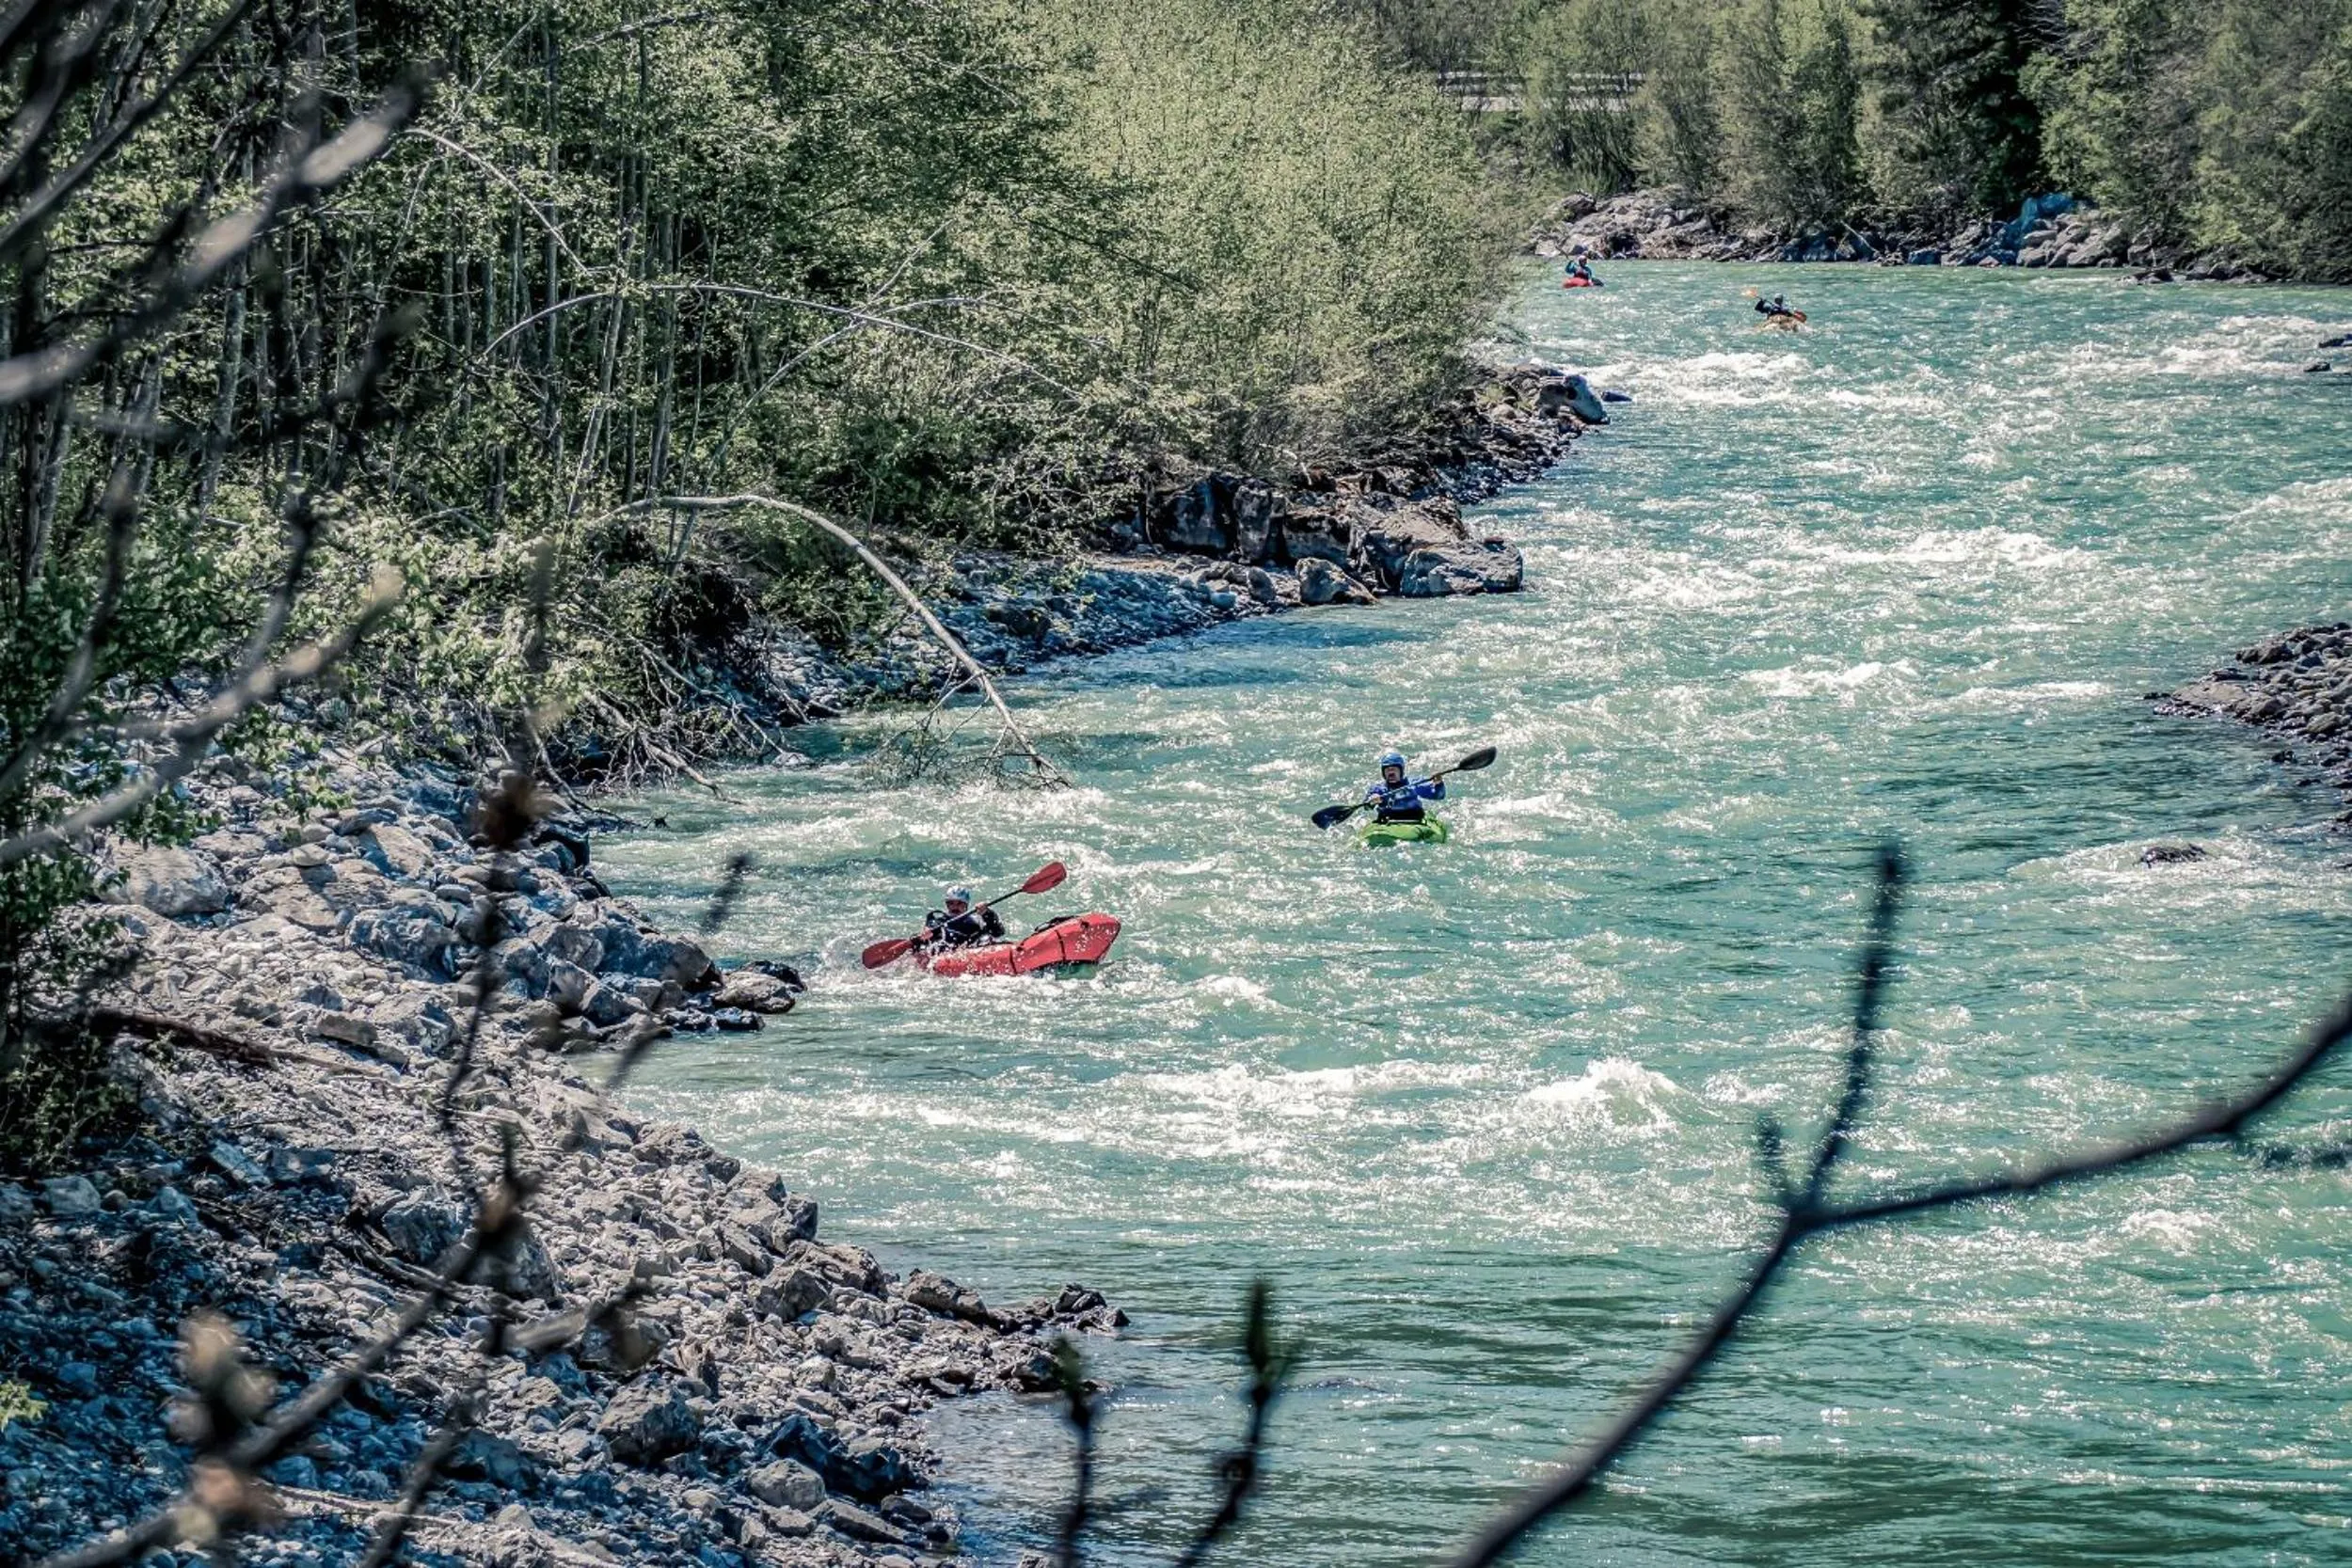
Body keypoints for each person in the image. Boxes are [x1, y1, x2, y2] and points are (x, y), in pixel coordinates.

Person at [1363, 750, 1445, 824]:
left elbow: (1438, 795)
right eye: (1387, 770)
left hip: (1414, 821)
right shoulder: (1379, 789)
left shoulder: (1413, 785)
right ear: (1383, 773)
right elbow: (1366, 807)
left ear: (1401, 771)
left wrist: (1438, 784)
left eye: (1394, 769)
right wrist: (1372, 801)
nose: (1391, 772)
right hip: (1387, 822)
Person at [923, 885, 1004, 951]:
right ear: (947, 905)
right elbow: (931, 927)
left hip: (969, 951)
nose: (955, 907)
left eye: (960, 903)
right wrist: (928, 932)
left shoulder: (975, 922)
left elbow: (997, 932)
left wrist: (987, 913)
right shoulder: (939, 922)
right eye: (951, 903)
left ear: (966, 905)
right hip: (947, 953)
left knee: (986, 938)